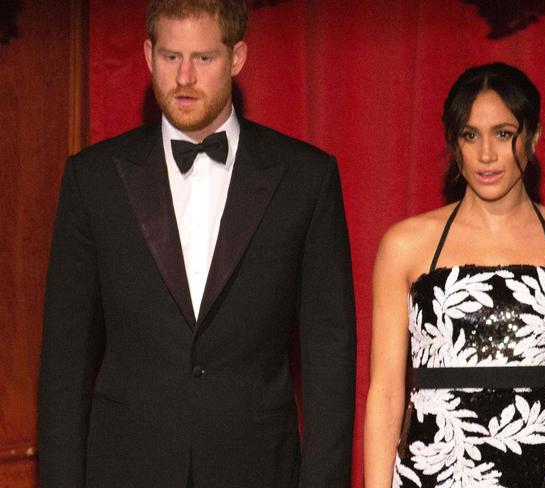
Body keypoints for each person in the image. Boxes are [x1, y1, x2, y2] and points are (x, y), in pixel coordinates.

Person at [38, 1, 356, 487]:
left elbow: (329, 357)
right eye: (170, 56)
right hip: (125, 469)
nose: (184, 76)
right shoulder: (93, 179)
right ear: (147, 55)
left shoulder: (306, 178)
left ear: (238, 57)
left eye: (203, 58)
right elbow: (65, 359)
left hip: (257, 469)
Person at [364, 62, 545, 487]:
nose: (486, 154)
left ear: (533, 136)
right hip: (435, 474)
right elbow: (386, 394)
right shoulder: (405, 246)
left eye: (503, 134)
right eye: (470, 135)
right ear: (454, 142)